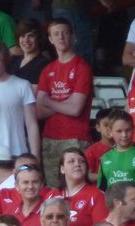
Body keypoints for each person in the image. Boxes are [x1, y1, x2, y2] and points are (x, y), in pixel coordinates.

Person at [35, 18, 92, 187]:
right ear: (50, 39)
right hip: (50, 137)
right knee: (53, 189)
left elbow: (76, 109)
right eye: (56, 34)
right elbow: (39, 110)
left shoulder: (82, 67)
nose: (61, 37)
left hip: (76, 137)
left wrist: (49, 101)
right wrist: (64, 103)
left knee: (77, 186)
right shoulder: (48, 70)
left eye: (65, 33)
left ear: (73, 36)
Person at [54, 147, 106, 226]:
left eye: (82, 161)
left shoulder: (96, 195)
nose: (77, 164)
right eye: (71, 161)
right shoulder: (52, 195)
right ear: (62, 169)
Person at [7, 18, 49, 92]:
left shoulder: (44, 64)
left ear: (39, 38)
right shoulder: (13, 61)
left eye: (31, 36)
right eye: (22, 36)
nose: (26, 40)